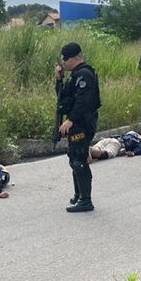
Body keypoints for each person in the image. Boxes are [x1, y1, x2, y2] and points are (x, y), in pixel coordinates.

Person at [55, 42, 101, 212]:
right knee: (74, 157)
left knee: (79, 159)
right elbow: (63, 97)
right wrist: (59, 79)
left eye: (66, 58)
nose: (64, 62)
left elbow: (84, 101)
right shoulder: (74, 75)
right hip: (77, 122)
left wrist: (71, 120)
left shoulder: (84, 75)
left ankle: (86, 200)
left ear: (76, 57)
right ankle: (79, 195)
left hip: (82, 122)